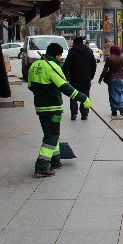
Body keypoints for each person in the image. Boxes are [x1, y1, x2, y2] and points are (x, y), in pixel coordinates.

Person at [28, 43, 91, 178]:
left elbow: (30, 86)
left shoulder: (34, 66)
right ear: (57, 55)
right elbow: (65, 87)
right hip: (52, 107)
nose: (60, 59)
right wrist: (82, 98)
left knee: (51, 134)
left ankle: (55, 161)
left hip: (40, 107)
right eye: (60, 56)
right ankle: (41, 167)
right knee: (51, 136)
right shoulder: (52, 67)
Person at [63, 37, 96, 120]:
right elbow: (94, 65)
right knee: (85, 96)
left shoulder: (72, 52)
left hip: (74, 78)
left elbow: (66, 65)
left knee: (73, 95)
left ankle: (73, 114)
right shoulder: (89, 51)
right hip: (86, 78)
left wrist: (66, 76)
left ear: (75, 43)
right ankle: (84, 114)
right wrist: (91, 76)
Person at [99, 45, 123, 116]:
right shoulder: (122, 58)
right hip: (121, 78)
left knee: (112, 95)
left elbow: (105, 70)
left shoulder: (109, 58)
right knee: (121, 93)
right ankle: (122, 107)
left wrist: (100, 79)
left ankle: (114, 111)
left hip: (112, 79)